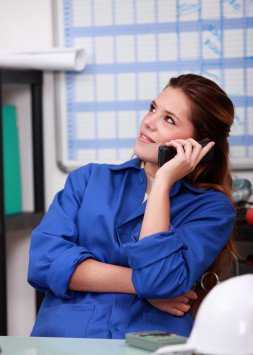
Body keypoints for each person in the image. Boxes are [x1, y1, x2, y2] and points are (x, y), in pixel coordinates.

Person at [28, 73, 236, 339]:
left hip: (150, 352)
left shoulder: (211, 210)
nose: (148, 123)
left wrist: (162, 183)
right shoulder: (89, 179)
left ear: (201, 146)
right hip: (65, 341)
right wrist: (140, 286)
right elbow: (42, 264)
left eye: (168, 119)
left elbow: (159, 278)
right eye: (152, 109)